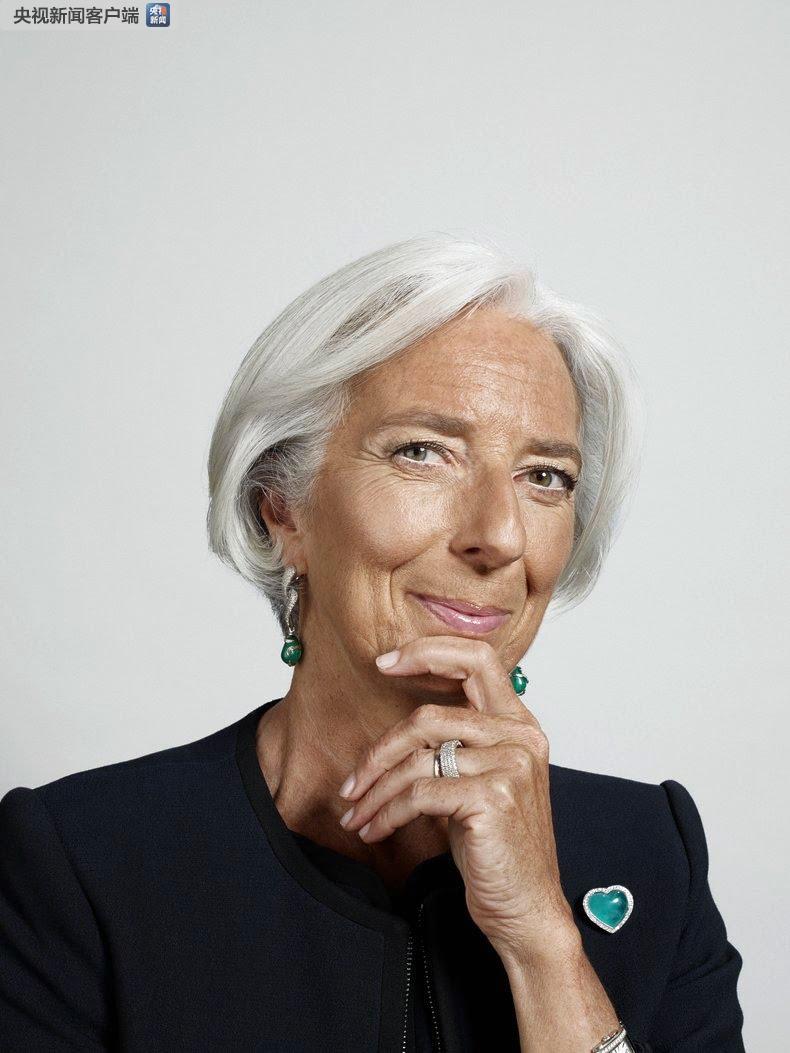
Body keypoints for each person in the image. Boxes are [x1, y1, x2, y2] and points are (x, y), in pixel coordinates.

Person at [0, 233, 745, 1051]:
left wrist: (543, 941)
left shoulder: (652, 853)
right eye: (423, 452)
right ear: (281, 506)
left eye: (545, 476)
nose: (498, 535)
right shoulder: (83, 862)